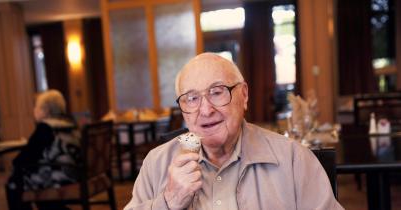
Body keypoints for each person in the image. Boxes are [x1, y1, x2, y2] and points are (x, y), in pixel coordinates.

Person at [124, 53, 344, 209]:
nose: (206, 110)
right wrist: (168, 202)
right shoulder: (157, 163)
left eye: (217, 92)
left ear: (244, 95)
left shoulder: (293, 159)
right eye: (192, 98)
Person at [6, 90, 81, 210]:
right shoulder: (70, 123)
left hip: (60, 179)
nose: (34, 110)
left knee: (13, 182)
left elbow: (25, 159)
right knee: (30, 178)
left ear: (46, 110)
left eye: (36, 106)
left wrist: (15, 164)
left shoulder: (46, 127)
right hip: (76, 174)